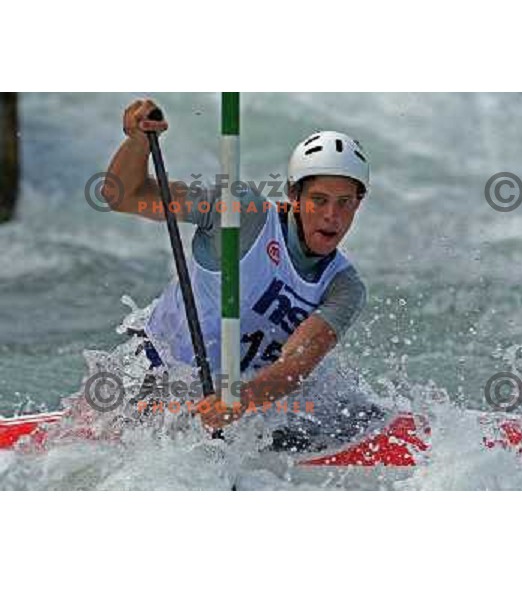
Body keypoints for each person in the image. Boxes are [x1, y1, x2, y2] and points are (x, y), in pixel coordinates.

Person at [101, 98, 371, 441]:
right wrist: (137, 142)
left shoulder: (344, 286)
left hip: (246, 399)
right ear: (294, 195)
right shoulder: (239, 213)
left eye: (345, 203)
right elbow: (123, 196)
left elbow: (297, 364)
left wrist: (241, 400)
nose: (332, 215)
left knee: (354, 411)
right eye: (319, 200)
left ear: (358, 203)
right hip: (157, 373)